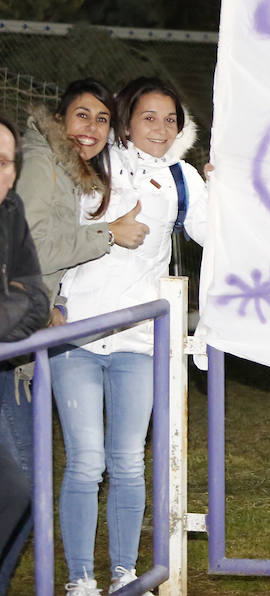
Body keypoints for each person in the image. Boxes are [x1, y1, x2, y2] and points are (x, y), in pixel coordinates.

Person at [51, 77, 206, 595]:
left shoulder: (184, 180)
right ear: (126, 119)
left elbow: (220, 233)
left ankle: (123, 573)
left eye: (171, 119)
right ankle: (78, 579)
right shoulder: (93, 160)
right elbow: (49, 230)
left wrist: (225, 184)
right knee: (86, 461)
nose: (160, 128)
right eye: (148, 117)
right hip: (76, 334)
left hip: (140, 340)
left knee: (127, 462)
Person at [3, 81, 148, 595]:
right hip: (9, 340)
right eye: (81, 116)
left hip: (25, 331)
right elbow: (39, 242)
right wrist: (109, 236)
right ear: (60, 120)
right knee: (21, 486)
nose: (91, 128)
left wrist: (56, 303)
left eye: (102, 119)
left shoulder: (71, 169)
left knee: (21, 485)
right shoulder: (44, 160)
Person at [0, 113, 53, 596]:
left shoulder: (10, 208)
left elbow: (35, 299)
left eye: (7, 162)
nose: (2, 173)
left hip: (5, 367)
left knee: (19, 495)